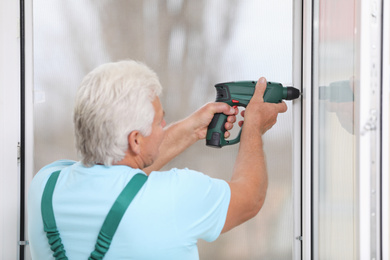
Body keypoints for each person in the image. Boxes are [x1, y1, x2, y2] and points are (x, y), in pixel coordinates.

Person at [28, 60, 287, 259]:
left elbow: (118, 174)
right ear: (135, 140)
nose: (164, 125)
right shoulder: (176, 196)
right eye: (159, 121)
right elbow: (250, 198)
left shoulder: (44, 186)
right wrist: (253, 126)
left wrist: (190, 130)